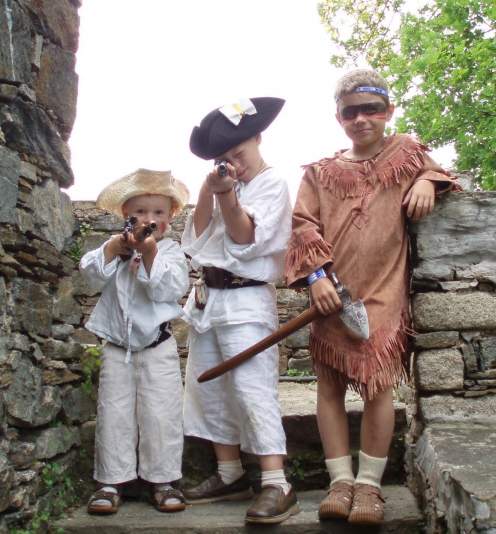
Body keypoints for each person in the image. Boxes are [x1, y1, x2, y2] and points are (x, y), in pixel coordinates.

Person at [284, 70, 460, 526]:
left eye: (371, 109)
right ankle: (339, 481)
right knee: (329, 387)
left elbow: (438, 170)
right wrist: (316, 277)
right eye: (350, 112)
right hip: (331, 292)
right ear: (338, 118)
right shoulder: (320, 173)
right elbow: (303, 225)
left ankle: (369, 485)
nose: (361, 118)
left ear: (388, 111)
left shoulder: (407, 154)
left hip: (384, 287)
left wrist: (427, 181)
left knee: (378, 386)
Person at [180, 97, 298, 524]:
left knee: (252, 388)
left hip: (247, 299)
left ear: (258, 138)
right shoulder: (223, 183)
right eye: (224, 158)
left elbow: (245, 237)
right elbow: (196, 238)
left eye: (239, 152)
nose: (234, 163)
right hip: (209, 298)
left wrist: (227, 194)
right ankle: (229, 473)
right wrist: (209, 189)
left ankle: (277, 482)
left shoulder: (272, 183)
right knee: (209, 387)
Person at [79, 169, 191, 515]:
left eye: (157, 212)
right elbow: (90, 275)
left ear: (169, 218)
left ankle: (164, 480)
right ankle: (111, 482)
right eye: (140, 211)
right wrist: (114, 247)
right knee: (114, 413)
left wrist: (150, 253)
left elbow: (171, 288)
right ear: (126, 215)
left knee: (161, 414)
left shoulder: (170, 251)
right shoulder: (114, 248)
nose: (148, 218)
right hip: (117, 347)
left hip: (158, 346)